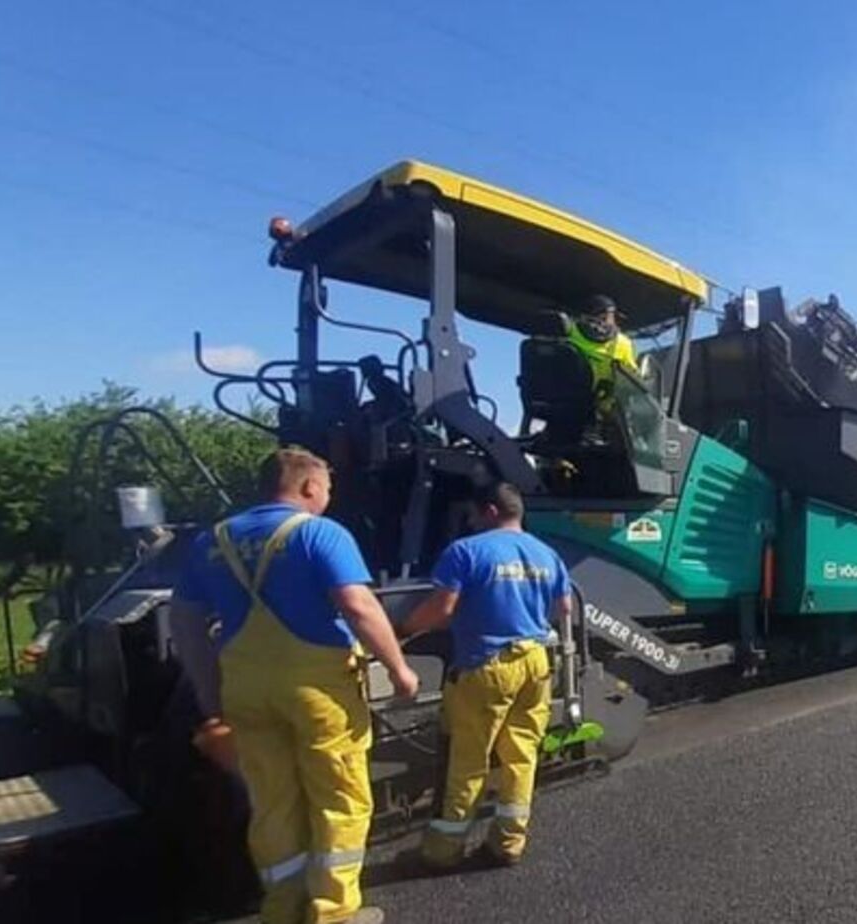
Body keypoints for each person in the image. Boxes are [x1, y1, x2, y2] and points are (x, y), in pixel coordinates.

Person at [169, 447, 418, 924]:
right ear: (308, 487)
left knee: (273, 803)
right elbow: (358, 605)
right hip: (316, 691)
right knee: (339, 798)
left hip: (246, 691)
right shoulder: (320, 534)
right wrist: (399, 668)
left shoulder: (211, 541)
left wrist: (208, 691)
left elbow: (185, 624)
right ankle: (333, 912)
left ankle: (283, 908)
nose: (328, 497)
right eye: (326, 489)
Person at [400, 482, 567, 868]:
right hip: (536, 662)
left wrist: (400, 631)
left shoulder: (466, 551)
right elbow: (562, 608)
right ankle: (508, 843)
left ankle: (444, 850)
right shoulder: (547, 554)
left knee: (469, 759)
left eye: (475, 514)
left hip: (486, 665)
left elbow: (440, 611)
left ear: (490, 511)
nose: (472, 521)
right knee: (521, 754)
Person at [564, 293, 637, 405]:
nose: (614, 322)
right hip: (597, 412)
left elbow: (632, 379)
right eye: (611, 317)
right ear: (602, 317)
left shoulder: (568, 332)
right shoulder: (623, 344)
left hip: (568, 404)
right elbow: (634, 381)